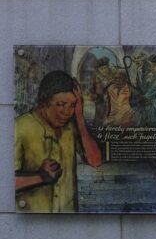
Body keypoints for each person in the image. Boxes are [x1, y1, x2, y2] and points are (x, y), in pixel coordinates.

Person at [15, 70, 102, 212]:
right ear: (44, 102)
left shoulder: (72, 127)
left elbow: (95, 160)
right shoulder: (20, 127)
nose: (67, 112)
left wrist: (79, 118)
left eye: (72, 105)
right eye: (61, 104)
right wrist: (40, 177)